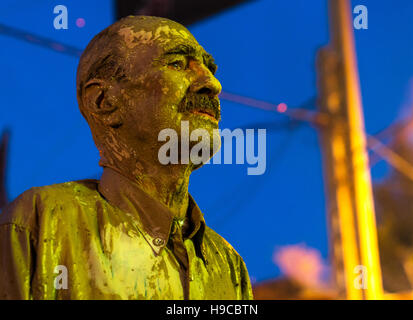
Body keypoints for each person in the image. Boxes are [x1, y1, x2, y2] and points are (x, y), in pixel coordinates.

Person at [0, 16, 253, 300]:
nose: (212, 83)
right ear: (104, 101)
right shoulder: (40, 221)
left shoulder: (229, 264)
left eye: (209, 67)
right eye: (177, 64)